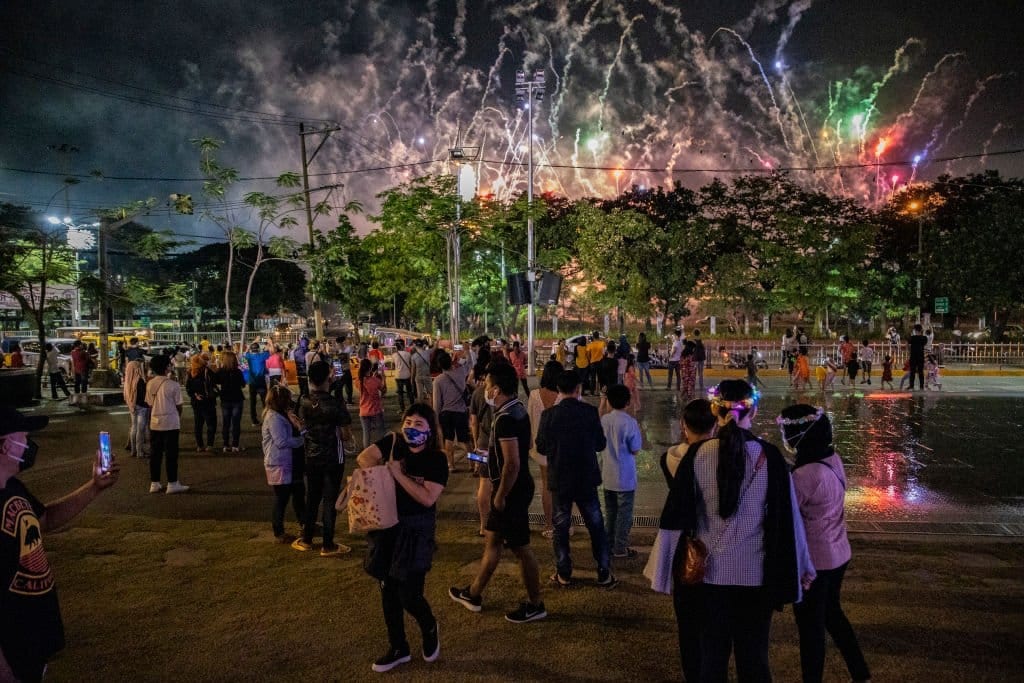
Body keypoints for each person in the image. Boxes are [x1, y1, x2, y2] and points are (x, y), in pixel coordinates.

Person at [684, 380, 814, 682]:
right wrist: (803, 566)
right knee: (754, 659)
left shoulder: (698, 455)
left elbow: (678, 517)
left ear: (715, 410)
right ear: (753, 410)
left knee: (712, 658)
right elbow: (789, 519)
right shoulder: (771, 458)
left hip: (711, 577)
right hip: (755, 578)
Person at [0, 406, 119, 682]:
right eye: (24, 437)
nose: (29, 444)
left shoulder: (12, 488)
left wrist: (94, 487)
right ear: (6, 445)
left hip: (30, 646)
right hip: (11, 660)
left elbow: (47, 519)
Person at [780, 404, 871, 683]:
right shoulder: (832, 459)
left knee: (810, 628)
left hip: (814, 562)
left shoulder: (804, 476)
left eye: (787, 431)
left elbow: (786, 512)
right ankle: (860, 672)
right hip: (839, 552)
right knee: (833, 614)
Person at [449, 362, 546, 623]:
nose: (486, 389)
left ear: (498, 389)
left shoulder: (504, 419)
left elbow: (512, 463)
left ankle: (536, 603)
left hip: (511, 491)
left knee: (522, 548)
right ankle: (473, 593)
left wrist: (500, 494)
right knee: (493, 540)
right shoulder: (517, 410)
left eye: (489, 385)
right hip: (515, 486)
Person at [356, 404, 448, 673]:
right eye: (408, 422)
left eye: (419, 424)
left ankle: (429, 625)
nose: (411, 428)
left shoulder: (436, 460)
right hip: (387, 527)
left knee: (409, 594)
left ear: (430, 430)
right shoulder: (394, 442)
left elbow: (427, 497)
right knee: (387, 590)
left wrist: (398, 474)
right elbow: (364, 458)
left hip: (416, 531)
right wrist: (384, 474)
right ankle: (398, 647)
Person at [644, 398, 717, 682]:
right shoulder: (716, 458)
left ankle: (692, 673)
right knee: (712, 619)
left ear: (684, 426)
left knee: (687, 621)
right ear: (714, 425)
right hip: (714, 542)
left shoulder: (670, 458)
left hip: (683, 546)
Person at [535, 370, 616, 589]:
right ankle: (603, 572)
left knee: (560, 527)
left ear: (559, 390)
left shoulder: (549, 415)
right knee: (596, 525)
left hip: (560, 479)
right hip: (586, 477)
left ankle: (564, 573)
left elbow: (541, 446)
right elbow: (600, 444)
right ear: (578, 389)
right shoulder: (589, 412)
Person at [293, 361, 353, 555]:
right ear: (328, 378)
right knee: (330, 500)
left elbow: (300, 424)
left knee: (312, 497)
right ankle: (328, 544)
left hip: (311, 455)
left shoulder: (303, 401)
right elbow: (345, 434)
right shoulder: (335, 403)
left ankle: (307, 538)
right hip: (333, 457)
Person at [600, 384, 642, 559]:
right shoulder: (630, 423)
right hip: (625, 477)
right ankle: (620, 548)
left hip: (607, 476)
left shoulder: (604, 421)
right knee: (624, 514)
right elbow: (636, 449)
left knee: (610, 513)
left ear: (608, 401)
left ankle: (608, 544)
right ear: (628, 402)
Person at [262, 384, 307, 543]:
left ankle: (305, 524)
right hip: (279, 462)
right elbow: (281, 441)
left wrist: (300, 429)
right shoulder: (274, 417)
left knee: (298, 493)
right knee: (282, 497)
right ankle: (279, 531)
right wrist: (301, 440)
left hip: (290, 461)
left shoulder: (282, 415)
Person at [526, 360, 561, 538]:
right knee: (562, 486)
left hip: (541, 449)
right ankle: (563, 524)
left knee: (546, 485)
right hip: (561, 449)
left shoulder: (533, 395)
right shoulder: (564, 396)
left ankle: (548, 526)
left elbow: (530, 420)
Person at [145, 354, 189, 494]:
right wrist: (178, 416)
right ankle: (172, 483)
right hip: (170, 422)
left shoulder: (150, 383)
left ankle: (155, 482)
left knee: (155, 454)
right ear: (166, 367)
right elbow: (179, 405)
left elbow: (149, 403)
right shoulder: (173, 385)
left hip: (155, 422)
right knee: (171, 454)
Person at [432, 350, 471, 473]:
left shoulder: (438, 380)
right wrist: (463, 354)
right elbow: (468, 363)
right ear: (450, 362)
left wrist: (436, 417)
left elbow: (437, 402)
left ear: (439, 365)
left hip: (446, 413)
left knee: (448, 439)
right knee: (465, 440)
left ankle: (451, 465)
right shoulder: (460, 372)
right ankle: (473, 463)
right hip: (460, 411)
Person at [468, 361, 495, 536]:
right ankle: (500, 525)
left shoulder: (477, 393)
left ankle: (484, 525)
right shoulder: (505, 393)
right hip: (501, 445)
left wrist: (476, 444)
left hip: (484, 444)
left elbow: (474, 422)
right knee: (500, 486)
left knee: (484, 484)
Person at [185, 354, 218, 453]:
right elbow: (214, 381)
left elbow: (188, 388)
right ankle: (209, 445)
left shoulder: (190, 372)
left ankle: (200, 445)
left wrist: (194, 395)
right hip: (208, 401)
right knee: (211, 424)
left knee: (198, 424)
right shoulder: (207, 371)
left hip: (196, 402)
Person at [216, 350, 246, 453]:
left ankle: (225, 445)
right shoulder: (237, 371)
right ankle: (235, 445)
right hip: (237, 398)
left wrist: (219, 391)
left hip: (225, 398)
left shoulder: (220, 371)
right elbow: (243, 384)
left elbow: (215, 382)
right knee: (236, 423)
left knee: (226, 422)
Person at [123, 358, 150, 459]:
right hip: (141, 407)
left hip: (132, 406)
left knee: (133, 428)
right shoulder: (139, 380)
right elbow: (144, 396)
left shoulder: (127, 381)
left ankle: (133, 450)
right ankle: (140, 452)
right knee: (140, 429)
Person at [358, 358, 387, 449]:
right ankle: (382, 451)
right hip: (375, 410)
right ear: (370, 368)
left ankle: (366, 453)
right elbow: (383, 391)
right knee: (381, 433)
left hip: (363, 410)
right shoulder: (375, 380)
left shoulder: (358, 380)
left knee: (366, 434)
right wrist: (383, 379)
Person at [244, 343, 270, 425]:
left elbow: (245, 352)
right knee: (265, 401)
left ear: (251, 349)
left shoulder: (249, 356)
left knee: (253, 402)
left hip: (252, 382)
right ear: (258, 349)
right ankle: (267, 419)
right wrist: (269, 342)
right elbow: (269, 350)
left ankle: (254, 420)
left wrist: (250, 345)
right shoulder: (262, 356)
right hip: (261, 382)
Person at [393, 339, 415, 411]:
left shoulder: (394, 355)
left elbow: (394, 365)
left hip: (398, 375)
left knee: (400, 393)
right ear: (403, 345)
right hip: (407, 375)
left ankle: (402, 409)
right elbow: (411, 364)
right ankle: (412, 407)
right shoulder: (408, 354)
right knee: (409, 392)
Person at [410, 339, 433, 405]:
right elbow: (435, 347)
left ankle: (421, 408)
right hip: (427, 375)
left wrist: (411, 379)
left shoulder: (413, 356)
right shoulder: (427, 352)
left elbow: (413, 369)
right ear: (422, 345)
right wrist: (437, 340)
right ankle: (432, 405)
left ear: (416, 346)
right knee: (430, 392)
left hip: (418, 376)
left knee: (420, 395)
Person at [907, 324, 928, 390]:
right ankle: (921, 386)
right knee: (921, 372)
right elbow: (924, 344)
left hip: (913, 357)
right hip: (920, 357)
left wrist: (909, 350)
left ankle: (911, 386)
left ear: (915, 330)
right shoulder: (924, 338)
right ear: (921, 330)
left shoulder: (912, 338)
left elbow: (907, 345)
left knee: (912, 372)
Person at [69, 340, 89, 406]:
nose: (82, 345)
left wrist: (73, 371)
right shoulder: (84, 352)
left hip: (76, 370)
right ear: (79, 345)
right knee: (84, 384)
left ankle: (76, 399)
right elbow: (87, 360)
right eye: (81, 344)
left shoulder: (72, 352)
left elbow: (73, 362)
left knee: (77, 384)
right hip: (83, 369)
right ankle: (84, 400)